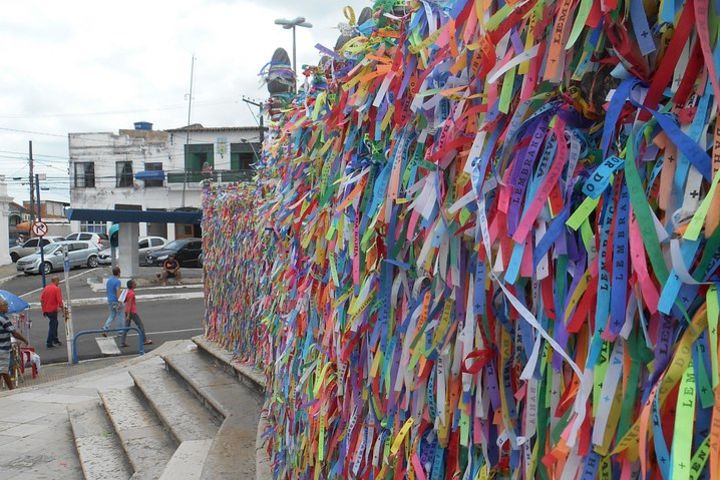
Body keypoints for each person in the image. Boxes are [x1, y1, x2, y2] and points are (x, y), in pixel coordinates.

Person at [0, 299, 29, 390]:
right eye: (5, 305)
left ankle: (10, 389)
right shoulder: (3, 318)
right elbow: (14, 333)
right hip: (3, 349)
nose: (7, 307)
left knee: (2, 370)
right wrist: (24, 339)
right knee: (3, 370)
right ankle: (12, 390)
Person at [120, 279, 152, 348]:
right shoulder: (131, 293)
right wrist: (128, 315)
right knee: (140, 326)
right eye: (134, 283)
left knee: (126, 327)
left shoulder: (128, 292)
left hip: (127, 311)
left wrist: (127, 314)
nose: (136, 284)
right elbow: (129, 304)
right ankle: (144, 340)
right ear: (132, 285)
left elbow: (124, 301)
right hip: (132, 312)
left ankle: (122, 342)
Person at [40, 276, 63, 348]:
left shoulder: (46, 288)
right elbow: (59, 301)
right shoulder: (57, 289)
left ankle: (55, 339)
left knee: (54, 324)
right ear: (55, 281)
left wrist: (43, 310)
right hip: (52, 310)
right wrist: (63, 310)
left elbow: (41, 300)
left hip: (47, 310)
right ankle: (49, 342)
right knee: (53, 325)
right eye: (58, 281)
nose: (59, 282)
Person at [102, 267, 123, 336]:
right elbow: (117, 292)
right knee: (120, 315)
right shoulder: (117, 281)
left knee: (112, 315)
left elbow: (108, 290)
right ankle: (120, 331)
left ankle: (105, 328)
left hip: (110, 300)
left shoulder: (109, 280)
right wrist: (120, 301)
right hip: (115, 301)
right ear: (118, 273)